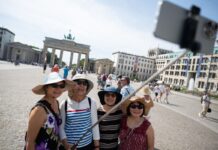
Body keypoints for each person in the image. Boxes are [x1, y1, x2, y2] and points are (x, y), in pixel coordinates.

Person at [24, 72, 72, 150]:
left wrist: (65, 144)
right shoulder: (39, 110)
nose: (58, 89)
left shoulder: (56, 102)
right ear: (46, 87)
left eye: (61, 86)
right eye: (54, 85)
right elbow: (30, 142)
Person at [59, 74, 100, 150]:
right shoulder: (64, 104)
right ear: (72, 86)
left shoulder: (91, 102)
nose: (82, 86)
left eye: (84, 83)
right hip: (69, 146)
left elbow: (95, 125)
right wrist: (66, 145)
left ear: (87, 87)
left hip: (86, 146)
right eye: (78, 83)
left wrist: (97, 146)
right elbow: (61, 127)